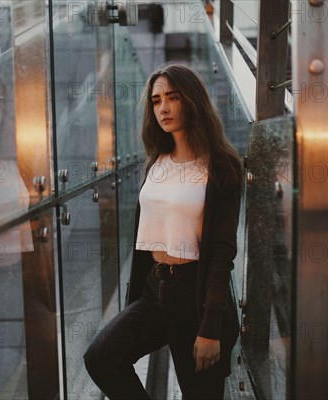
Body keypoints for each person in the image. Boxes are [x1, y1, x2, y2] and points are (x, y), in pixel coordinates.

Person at [84, 64, 243, 399]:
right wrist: (133, 302)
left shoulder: (221, 166)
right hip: (155, 289)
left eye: (173, 97)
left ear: (193, 100)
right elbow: (146, 237)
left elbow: (223, 250)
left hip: (195, 295)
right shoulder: (157, 161)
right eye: (156, 101)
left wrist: (211, 327)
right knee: (101, 357)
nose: (163, 108)